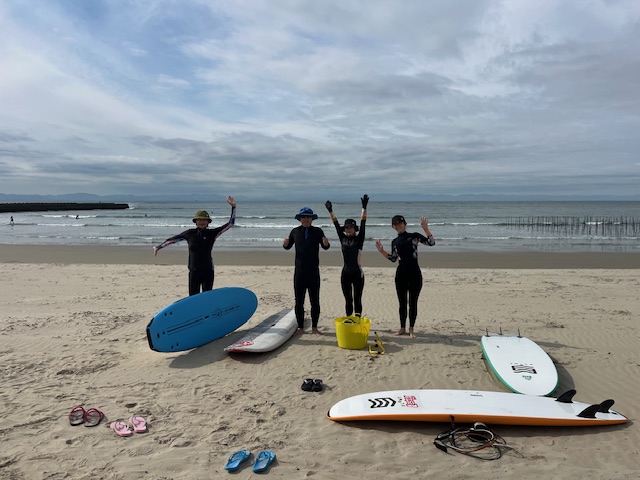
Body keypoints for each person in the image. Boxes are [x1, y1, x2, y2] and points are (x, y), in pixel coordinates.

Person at [154, 196, 236, 296]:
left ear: (208, 222)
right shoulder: (189, 233)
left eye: (204, 220)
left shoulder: (212, 233)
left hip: (208, 270)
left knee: (207, 296)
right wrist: (158, 247)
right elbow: (173, 240)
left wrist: (233, 207)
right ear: (195, 221)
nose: (202, 222)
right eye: (199, 220)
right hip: (193, 270)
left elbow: (230, 224)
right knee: (193, 296)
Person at [375, 215, 435, 338]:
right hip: (401, 275)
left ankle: (411, 328)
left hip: (415, 274)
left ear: (405, 224)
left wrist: (425, 229)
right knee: (402, 303)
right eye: (395, 224)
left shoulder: (414, 236)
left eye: (400, 223)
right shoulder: (395, 242)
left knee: (413, 303)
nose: (398, 226)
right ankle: (402, 328)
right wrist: (382, 251)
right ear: (393, 227)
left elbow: (431, 243)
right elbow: (393, 258)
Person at [283, 207, 330, 334]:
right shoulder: (295, 231)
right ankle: (300, 327)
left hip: (313, 272)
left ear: (312, 219)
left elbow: (325, 247)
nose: (306, 219)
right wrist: (285, 244)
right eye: (303, 217)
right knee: (299, 301)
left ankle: (314, 327)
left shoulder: (318, 231)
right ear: (300, 219)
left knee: (315, 301)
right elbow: (287, 247)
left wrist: (326, 243)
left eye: (308, 217)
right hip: (299, 272)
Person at [325, 194, 369, 316]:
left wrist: (364, 208)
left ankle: (358, 321)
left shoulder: (359, 239)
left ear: (355, 229)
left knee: (357, 299)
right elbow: (335, 224)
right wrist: (330, 211)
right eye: (346, 227)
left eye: (351, 227)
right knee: (348, 300)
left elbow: (363, 223)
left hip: (357, 274)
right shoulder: (342, 238)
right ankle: (349, 320)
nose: (348, 229)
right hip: (345, 273)